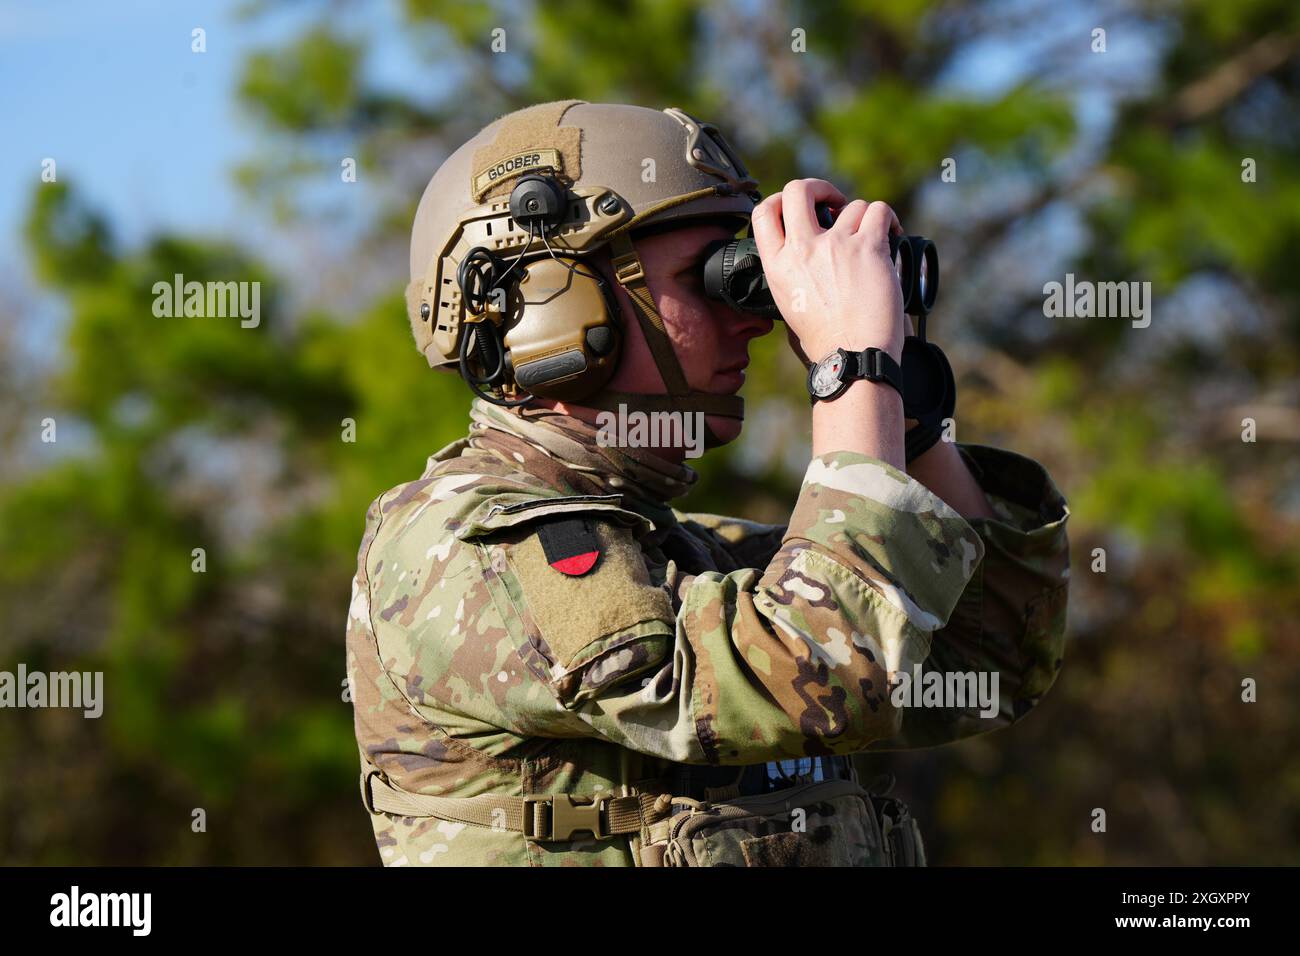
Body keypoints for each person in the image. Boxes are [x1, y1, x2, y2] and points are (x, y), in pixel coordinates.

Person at [345, 100, 1071, 866]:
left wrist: (906, 417)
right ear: (547, 305)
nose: (754, 322)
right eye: (709, 280)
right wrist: (853, 367)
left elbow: (992, 654)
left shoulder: (694, 558)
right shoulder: (462, 546)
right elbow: (818, 668)